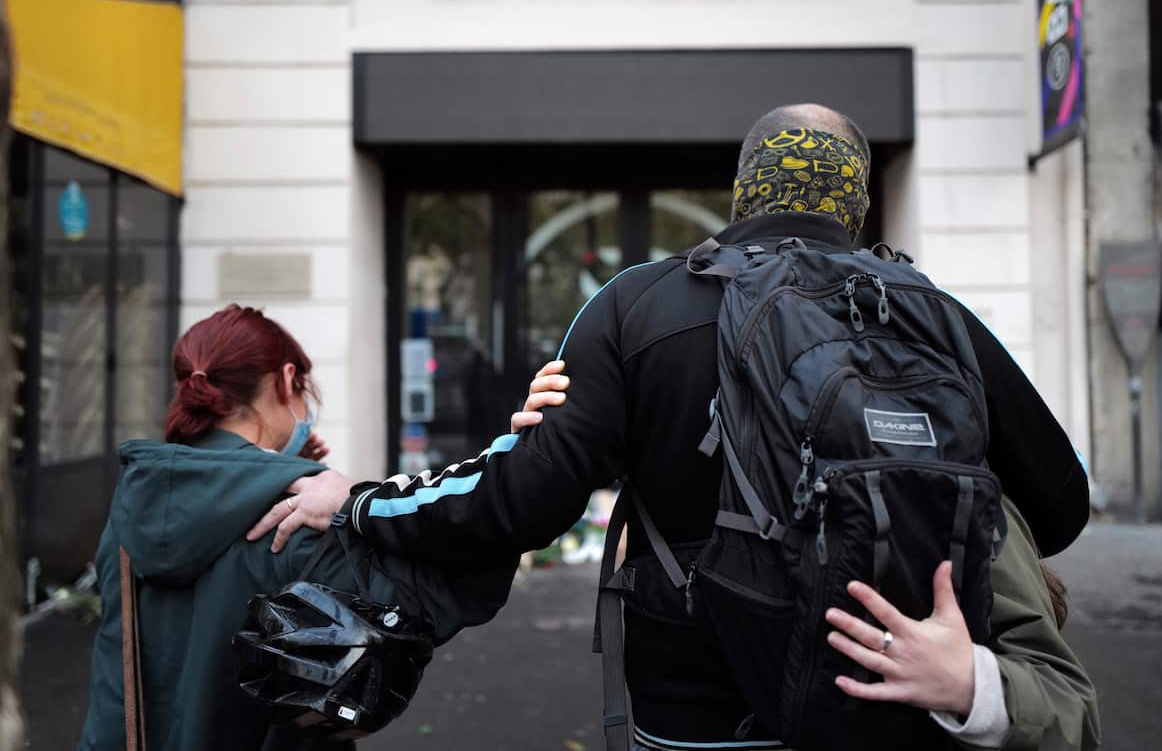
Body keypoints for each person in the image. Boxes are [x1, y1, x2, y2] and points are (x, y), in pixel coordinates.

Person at [282, 105, 1101, 750]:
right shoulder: (929, 314)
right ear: (854, 203)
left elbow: (522, 499)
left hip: (698, 714)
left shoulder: (636, 305)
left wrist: (359, 502)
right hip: (893, 696)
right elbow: (1059, 505)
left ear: (744, 189)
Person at [77, 305, 563, 751]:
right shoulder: (293, 514)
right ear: (287, 379)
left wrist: (264, 469)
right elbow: (431, 599)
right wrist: (513, 466)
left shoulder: (135, 507)